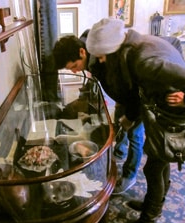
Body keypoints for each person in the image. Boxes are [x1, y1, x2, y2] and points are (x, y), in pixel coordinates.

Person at [85, 18, 185, 223]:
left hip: (174, 116)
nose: (102, 62)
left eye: (102, 57)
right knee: (160, 161)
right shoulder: (137, 43)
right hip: (163, 112)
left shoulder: (143, 62)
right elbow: (174, 44)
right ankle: (154, 202)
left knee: (153, 168)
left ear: (113, 50)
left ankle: (150, 216)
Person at [53, 29, 145, 194]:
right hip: (123, 94)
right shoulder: (86, 44)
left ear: (82, 52)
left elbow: (134, 94)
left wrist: (130, 117)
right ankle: (119, 152)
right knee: (120, 122)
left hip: (137, 96)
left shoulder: (102, 57)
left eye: (74, 66)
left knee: (135, 135)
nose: (75, 71)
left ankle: (130, 176)